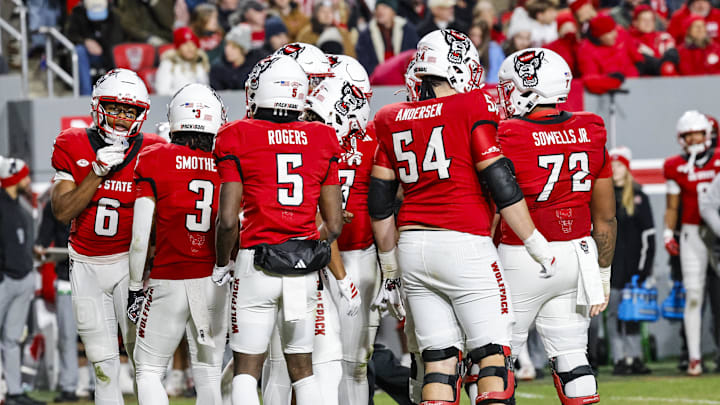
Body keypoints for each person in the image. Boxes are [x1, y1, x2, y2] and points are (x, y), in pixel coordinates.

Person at [370, 29, 556, 404]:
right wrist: (537, 243)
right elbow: (500, 182)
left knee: (438, 360)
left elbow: (380, 202)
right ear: (458, 67)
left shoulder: (390, 116)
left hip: (412, 248)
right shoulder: (472, 105)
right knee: (492, 359)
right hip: (463, 242)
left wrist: (390, 268)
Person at [212, 54, 352, 405]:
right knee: (303, 370)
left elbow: (228, 219)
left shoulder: (236, 135)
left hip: (254, 262)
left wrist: (221, 264)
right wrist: (302, 247)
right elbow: (334, 224)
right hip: (302, 267)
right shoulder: (323, 137)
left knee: (247, 368)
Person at [496, 47, 616, 404]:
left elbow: (492, 207)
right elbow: (606, 217)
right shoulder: (591, 127)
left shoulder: (507, 134)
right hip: (578, 255)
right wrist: (604, 273)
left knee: (493, 360)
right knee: (573, 358)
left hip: (523, 254)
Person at [50, 68, 166, 405]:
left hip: (131, 270)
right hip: (86, 264)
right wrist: (96, 174)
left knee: (144, 362)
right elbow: (62, 211)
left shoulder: (152, 149)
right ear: (98, 106)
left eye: (130, 111)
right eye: (115, 108)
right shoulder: (71, 142)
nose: (121, 118)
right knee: (103, 366)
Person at [127, 83, 228, 405]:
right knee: (209, 371)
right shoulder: (226, 161)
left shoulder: (155, 158)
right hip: (214, 278)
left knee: (148, 369)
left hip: (168, 276)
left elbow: (140, 235)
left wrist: (133, 284)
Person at [307, 74, 377, 405]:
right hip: (318, 258)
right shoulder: (310, 141)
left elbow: (389, 202)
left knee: (354, 363)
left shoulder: (370, 144)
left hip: (356, 255)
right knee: (320, 358)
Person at [663, 110, 720, 376]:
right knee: (694, 295)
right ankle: (695, 357)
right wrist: (667, 232)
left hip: (717, 231)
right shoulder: (675, 165)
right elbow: (672, 205)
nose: (693, 139)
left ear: (707, 134)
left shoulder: (718, 159)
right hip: (692, 233)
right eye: (688, 135)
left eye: (697, 133)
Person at [0, 158, 45, 405]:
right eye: (24, 176)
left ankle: (15, 392)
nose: (28, 180)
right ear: (13, 177)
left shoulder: (20, 205)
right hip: (4, 279)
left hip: (22, 276)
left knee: (12, 339)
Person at [607, 146, 655, 375]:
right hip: (612, 268)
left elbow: (648, 236)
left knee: (634, 314)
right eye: (612, 165)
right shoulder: (603, 197)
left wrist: (644, 269)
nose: (615, 170)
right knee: (615, 314)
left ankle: (635, 357)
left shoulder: (638, 196)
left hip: (634, 268)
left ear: (627, 168)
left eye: (619, 165)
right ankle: (618, 358)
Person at [35, 199, 79, 402]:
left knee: (97, 336)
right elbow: (43, 240)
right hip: (65, 279)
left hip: (95, 279)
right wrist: (41, 248)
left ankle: (98, 384)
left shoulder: (96, 195)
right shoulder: (54, 204)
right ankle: (70, 385)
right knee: (67, 336)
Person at [65, 0, 126, 95]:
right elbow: (70, 35)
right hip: (88, 56)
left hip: (108, 54)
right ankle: (86, 95)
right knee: (79, 51)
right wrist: (85, 41)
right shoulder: (77, 14)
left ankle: (118, 92)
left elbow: (117, 41)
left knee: (117, 51)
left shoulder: (114, 16)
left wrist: (103, 45)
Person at [355, 0, 419, 76]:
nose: (380, 11)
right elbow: (364, 63)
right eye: (377, 8)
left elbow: (413, 56)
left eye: (384, 7)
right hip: (377, 82)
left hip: (403, 79)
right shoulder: (366, 35)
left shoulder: (408, 31)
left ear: (393, 11)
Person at [156, 27, 210, 96]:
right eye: (185, 44)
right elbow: (162, 92)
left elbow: (206, 89)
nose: (190, 48)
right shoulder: (168, 64)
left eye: (193, 44)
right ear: (178, 47)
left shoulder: (199, 63)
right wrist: (188, 95)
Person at [210, 24, 259, 90]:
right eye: (227, 45)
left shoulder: (255, 68)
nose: (228, 50)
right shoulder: (217, 68)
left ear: (244, 50)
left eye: (234, 47)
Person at [467, 19, 505, 84]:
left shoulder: (494, 50)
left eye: (478, 36)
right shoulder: (466, 50)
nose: (474, 39)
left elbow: (494, 77)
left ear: (484, 37)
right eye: (472, 35)